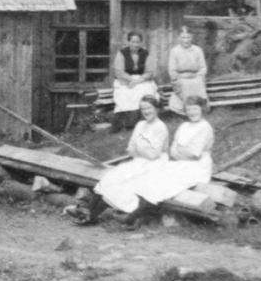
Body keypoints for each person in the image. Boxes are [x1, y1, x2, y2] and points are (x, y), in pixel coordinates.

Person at [88, 96, 214, 227]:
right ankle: (129, 216)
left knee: (164, 185)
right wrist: (182, 150)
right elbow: (173, 151)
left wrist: (181, 150)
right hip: (180, 164)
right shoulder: (184, 126)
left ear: (202, 109)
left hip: (197, 168)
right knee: (151, 180)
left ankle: (131, 218)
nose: (192, 112)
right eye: (189, 109)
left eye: (195, 109)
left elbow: (194, 154)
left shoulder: (205, 128)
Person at [74, 95, 168, 225]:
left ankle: (92, 215)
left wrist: (138, 149)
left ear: (156, 109)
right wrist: (139, 150)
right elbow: (130, 148)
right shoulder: (140, 125)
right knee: (111, 177)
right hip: (139, 161)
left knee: (124, 182)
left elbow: (153, 155)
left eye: (149, 108)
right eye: (143, 109)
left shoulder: (160, 127)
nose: (146, 111)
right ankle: (89, 211)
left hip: (154, 165)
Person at [111, 32, 159, 131]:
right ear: (128, 42)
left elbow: (149, 71)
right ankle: (128, 123)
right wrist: (131, 80)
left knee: (146, 91)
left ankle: (145, 120)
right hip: (125, 79)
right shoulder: (122, 53)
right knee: (125, 93)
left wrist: (138, 81)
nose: (135, 44)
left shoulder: (145, 53)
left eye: (138, 42)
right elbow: (119, 71)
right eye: (133, 42)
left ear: (141, 42)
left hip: (141, 79)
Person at [168, 26, 207, 115]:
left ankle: (198, 110)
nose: (186, 40)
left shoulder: (197, 50)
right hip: (181, 79)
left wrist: (199, 76)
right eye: (183, 37)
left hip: (195, 77)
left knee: (198, 82)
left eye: (188, 37)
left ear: (192, 37)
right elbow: (172, 71)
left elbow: (203, 68)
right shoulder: (174, 51)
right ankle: (187, 110)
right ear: (179, 38)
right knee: (185, 84)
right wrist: (181, 77)